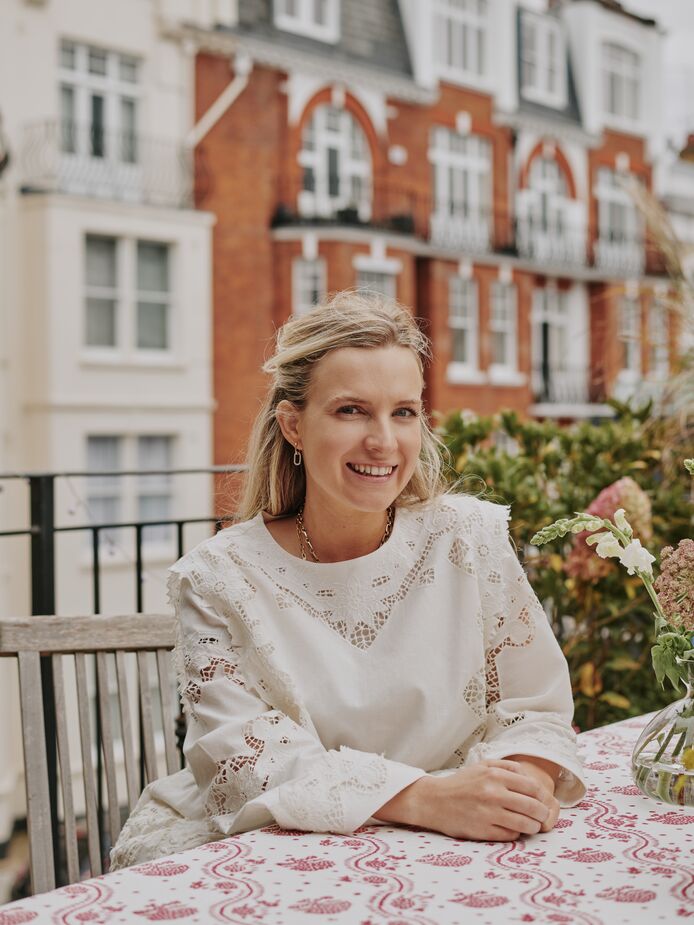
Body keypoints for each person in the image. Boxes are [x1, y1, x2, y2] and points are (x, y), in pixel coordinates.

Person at [110, 291, 586, 869]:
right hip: (273, 849)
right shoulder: (218, 580)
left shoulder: (468, 538)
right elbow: (252, 765)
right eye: (351, 410)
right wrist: (428, 798)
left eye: (404, 412)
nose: (383, 442)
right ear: (293, 425)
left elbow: (535, 704)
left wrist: (519, 784)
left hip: (455, 846)